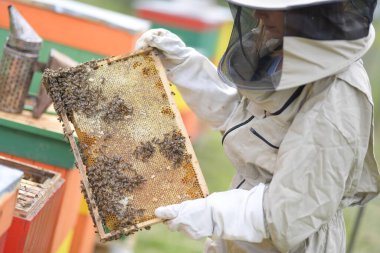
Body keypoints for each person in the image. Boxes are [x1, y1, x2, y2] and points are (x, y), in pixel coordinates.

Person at [135, 0, 380, 252]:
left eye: (273, 5)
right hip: (243, 235)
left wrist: (215, 212)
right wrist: (185, 66)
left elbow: (293, 212)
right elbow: (247, 123)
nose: (257, 12)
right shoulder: (282, 49)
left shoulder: (339, 96)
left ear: (312, 10)